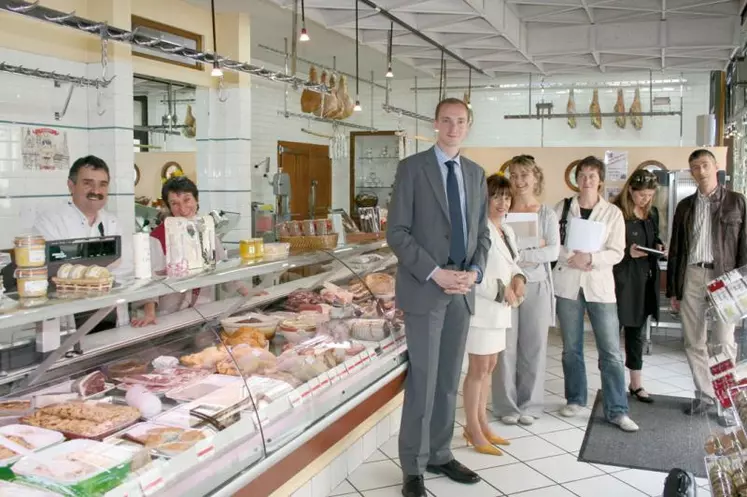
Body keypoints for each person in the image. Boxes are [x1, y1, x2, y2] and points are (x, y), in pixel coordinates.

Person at [387, 97, 490, 497]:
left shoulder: (476, 174)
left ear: (468, 126)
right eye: (446, 121)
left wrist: (474, 273)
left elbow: (482, 235)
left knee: (448, 379)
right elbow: (397, 232)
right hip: (425, 289)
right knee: (424, 381)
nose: (453, 128)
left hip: (462, 293)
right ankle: (412, 467)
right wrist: (435, 272)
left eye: (460, 121)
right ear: (435, 124)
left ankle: (440, 453)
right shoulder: (412, 169)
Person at [553, 156, 639, 432]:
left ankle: (617, 409)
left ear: (600, 180)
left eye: (592, 175)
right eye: (583, 175)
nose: (587, 180)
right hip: (568, 283)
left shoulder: (612, 213)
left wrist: (590, 259)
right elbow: (552, 241)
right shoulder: (563, 207)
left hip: (600, 286)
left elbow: (617, 251)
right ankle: (575, 398)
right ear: (576, 179)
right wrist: (571, 257)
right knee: (571, 348)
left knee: (611, 351)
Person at [667, 149, 747, 416]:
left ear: (716, 167)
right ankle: (705, 395)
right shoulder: (685, 206)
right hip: (692, 275)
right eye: (695, 167)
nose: (700, 171)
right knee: (693, 340)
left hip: (725, 277)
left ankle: (726, 401)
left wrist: (743, 283)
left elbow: (744, 246)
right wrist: (674, 290)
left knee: (723, 340)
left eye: (704, 165)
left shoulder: (737, 202)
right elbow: (676, 250)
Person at [493, 155, 559, 425]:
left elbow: (553, 250)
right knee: (505, 348)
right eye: (515, 175)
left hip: (538, 286)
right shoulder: (502, 210)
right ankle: (506, 406)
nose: (519, 181)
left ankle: (530, 405)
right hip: (506, 285)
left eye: (524, 175)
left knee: (534, 346)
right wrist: (535, 246)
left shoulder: (546, 213)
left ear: (535, 178)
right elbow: (499, 250)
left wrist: (520, 251)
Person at [131, 176, 248, 327]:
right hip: (170, 316)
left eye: (187, 200)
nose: (183, 208)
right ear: (168, 206)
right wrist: (150, 313)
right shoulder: (158, 237)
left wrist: (246, 291)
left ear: (196, 200)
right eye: (175, 203)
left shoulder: (206, 229)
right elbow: (149, 280)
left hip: (203, 311)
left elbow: (223, 266)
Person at [463, 174, 524, 455]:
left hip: (500, 312)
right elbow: (473, 275)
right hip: (481, 311)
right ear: (484, 199)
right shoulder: (477, 230)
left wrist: (519, 279)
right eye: (496, 196)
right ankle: (472, 429)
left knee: (489, 368)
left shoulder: (506, 231)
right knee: (478, 369)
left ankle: (483, 423)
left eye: (507, 197)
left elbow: (513, 264)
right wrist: (503, 292)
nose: (502, 202)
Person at [33, 155, 131, 278]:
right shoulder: (50, 222)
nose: (96, 191)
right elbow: (55, 271)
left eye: (102, 185)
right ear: (71, 186)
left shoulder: (113, 223)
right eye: (88, 183)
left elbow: (126, 268)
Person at [612, 169, 664, 404]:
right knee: (612, 335)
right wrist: (627, 253)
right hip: (620, 281)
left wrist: (659, 246)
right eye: (642, 195)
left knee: (637, 335)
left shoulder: (651, 213)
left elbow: (654, 238)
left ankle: (636, 384)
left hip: (644, 280)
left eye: (650, 195)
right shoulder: (616, 212)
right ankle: (611, 385)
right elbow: (605, 247)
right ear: (630, 190)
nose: (645, 199)